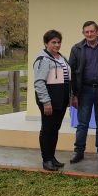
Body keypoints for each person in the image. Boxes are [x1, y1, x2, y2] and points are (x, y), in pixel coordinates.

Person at [69, 21, 98, 164]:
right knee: (82, 123)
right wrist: (73, 95)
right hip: (84, 91)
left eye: (92, 31)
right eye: (86, 32)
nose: (89, 34)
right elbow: (72, 74)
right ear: (83, 33)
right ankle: (78, 151)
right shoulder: (76, 49)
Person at [33, 30, 71, 171]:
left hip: (60, 101)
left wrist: (70, 98)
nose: (57, 45)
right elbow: (39, 83)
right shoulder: (43, 60)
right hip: (49, 102)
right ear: (46, 43)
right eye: (53, 42)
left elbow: (67, 80)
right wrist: (46, 102)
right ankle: (46, 159)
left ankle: (52, 157)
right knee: (47, 130)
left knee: (55, 130)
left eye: (59, 42)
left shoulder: (62, 58)